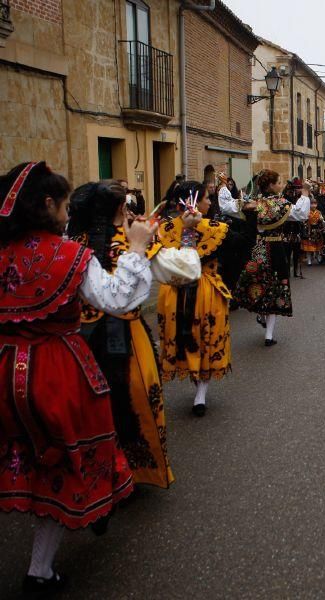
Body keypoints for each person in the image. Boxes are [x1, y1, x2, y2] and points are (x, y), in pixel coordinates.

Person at [0, 161, 158, 595]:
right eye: (64, 203)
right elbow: (118, 297)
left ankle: (42, 565)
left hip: (4, 369)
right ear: (48, 204)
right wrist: (138, 248)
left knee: (28, 455)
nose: (68, 211)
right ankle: (56, 548)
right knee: (69, 456)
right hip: (56, 371)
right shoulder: (69, 256)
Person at [67, 180, 202, 488]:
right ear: (119, 209)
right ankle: (132, 470)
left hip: (77, 343)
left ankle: (95, 475)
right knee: (135, 402)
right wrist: (189, 234)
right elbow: (187, 270)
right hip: (125, 338)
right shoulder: (131, 243)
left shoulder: (71, 242)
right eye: (126, 206)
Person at [156, 181, 232, 416]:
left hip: (172, 293)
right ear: (193, 203)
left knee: (188, 339)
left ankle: (198, 389)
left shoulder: (163, 229)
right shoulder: (215, 228)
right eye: (207, 198)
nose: (210, 202)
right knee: (205, 339)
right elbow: (240, 246)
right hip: (204, 292)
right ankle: (200, 391)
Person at [233, 169, 305, 346]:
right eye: (279, 182)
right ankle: (269, 335)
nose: (281, 185)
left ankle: (261, 315)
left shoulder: (253, 203)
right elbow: (302, 214)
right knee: (276, 287)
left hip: (258, 248)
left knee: (259, 283)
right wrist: (305, 194)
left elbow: (230, 208)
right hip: (276, 249)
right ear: (271, 185)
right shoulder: (280, 204)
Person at [216, 174, 258, 307]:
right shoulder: (236, 204)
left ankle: (239, 294)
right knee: (231, 267)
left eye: (231, 185)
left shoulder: (246, 202)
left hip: (243, 238)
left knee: (241, 266)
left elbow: (229, 204)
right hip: (231, 239)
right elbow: (226, 205)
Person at [301, 196, 325, 266]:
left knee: (318, 245)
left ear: (317, 204)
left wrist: (322, 220)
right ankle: (309, 260)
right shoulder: (307, 212)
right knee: (309, 246)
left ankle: (318, 257)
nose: (313, 205)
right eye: (312, 204)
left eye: (315, 204)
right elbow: (304, 221)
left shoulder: (319, 212)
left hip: (317, 230)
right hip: (309, 229)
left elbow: (323, 221)